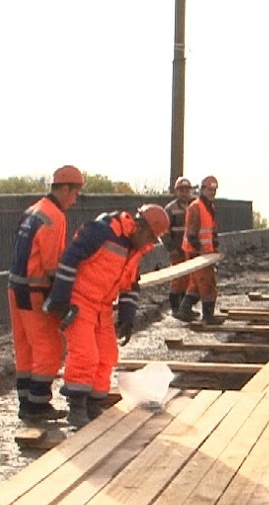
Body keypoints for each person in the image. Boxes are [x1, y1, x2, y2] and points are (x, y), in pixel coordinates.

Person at [43, 204, 171, 429]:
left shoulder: (134, 250)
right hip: (80, 301)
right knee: (85, 354)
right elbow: (71, 257)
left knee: (107, 355)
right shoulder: (103, 231)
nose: (150, 244)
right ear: (139, 228)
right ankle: (77, 408)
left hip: (102, 307)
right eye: (150, 237)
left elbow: (131, 285)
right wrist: (61, 298)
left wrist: (127, 317)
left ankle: (94, 403)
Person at [7, 165, 84, 421]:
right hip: (35, 290)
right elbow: (52, 266)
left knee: (25, 347)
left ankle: (26, 403)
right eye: (75, 193)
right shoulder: (55, 217)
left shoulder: (33, 210)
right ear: (65, 189)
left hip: (16, 288)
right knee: (49, 347)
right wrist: (62, 298)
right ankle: (38, 404)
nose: (75, 200)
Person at [173, 175, 222, 324]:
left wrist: (214, 244)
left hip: (205, 252)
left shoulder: (209, 207)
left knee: (195, 284)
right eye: (209, 189)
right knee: (207, 283)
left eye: (214, 190)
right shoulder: (196, 207)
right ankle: (208, 316)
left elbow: (211, 230)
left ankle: (184, 310)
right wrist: (201, 251)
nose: (212, 193)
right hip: (197, 253)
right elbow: (192, 234)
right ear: (202, 189)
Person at [163, 176, 194, 315]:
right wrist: (171, 248)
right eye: (182, 190)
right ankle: (176, 308)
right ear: (177, 192)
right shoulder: (170, 209)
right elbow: (164, 231)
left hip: (190, 250)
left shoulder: (193, 207)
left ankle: (185, 309)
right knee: (177, 279)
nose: (184, 193)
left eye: (187, 190)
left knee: (189, 279)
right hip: (177, 250)